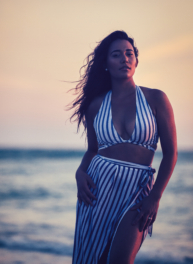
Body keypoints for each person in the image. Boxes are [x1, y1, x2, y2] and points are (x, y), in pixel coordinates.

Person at [69, 30, 177, 264]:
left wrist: (155, 196)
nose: (125, 59)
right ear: (106, 64)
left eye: (129, 54)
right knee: (94, 260)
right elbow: (92, 150)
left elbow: (170, 154)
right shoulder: (96, 106)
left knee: (121, 260)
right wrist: (80, 172)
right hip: (98, 189)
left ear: (136, 61)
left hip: (138, 191)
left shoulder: (156, 99)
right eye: (116, 55)